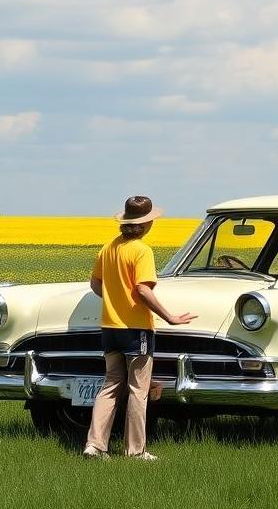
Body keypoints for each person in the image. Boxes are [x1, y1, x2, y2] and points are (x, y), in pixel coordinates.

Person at [83, 195, 196, 460]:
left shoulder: (108, 248)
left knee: (110, 385)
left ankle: (94, 445)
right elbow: (143, 290)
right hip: (136, 331)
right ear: (146, 224)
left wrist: (115, 299)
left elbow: (95, 284)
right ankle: (135, 451)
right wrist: (170, 317)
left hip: (109, 328)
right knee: (138, 390)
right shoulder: (142, 251)